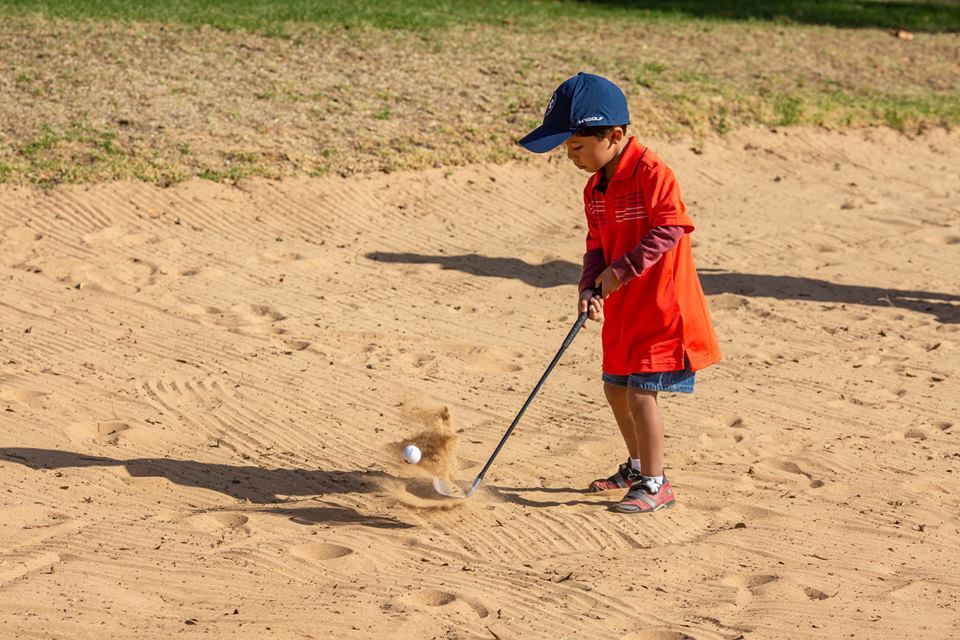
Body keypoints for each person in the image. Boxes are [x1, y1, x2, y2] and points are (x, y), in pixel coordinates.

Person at [518, 72, 721, 513]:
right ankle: (637, 466)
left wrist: (621, 270)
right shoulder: (594, 188)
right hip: (625, 310)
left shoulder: (652, 172)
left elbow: (671, 227)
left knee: (641, 393)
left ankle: (656, 484)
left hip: (662, 309)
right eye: (567, 149)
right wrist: (590, 284)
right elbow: (596, 243)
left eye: (576, 147)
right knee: (615, 388)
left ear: (613, 136)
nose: (571, 157)